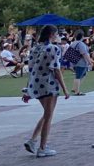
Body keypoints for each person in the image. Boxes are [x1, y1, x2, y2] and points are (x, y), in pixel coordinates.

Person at [23, 25, 69, 157]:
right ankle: (42, 147)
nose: (57, 36)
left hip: (36, 84)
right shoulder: (54, 48)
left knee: (46, 114)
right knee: (48, 116)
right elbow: (56, 70)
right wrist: (65, 89)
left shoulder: (34, 48)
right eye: (56, 34)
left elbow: (31, 70)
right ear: (51, 35)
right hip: (48, 84)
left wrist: (28, 89)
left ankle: (33, 140)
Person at [67, 31, 94, 96]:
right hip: (81, 62)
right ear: (82, 37)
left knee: (82, 74)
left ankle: (75, 88)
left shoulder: (73, 43)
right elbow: (84, 54)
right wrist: (90, 62)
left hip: (75, 61)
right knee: (79, 76)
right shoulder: (81, 44)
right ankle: (76, 91)